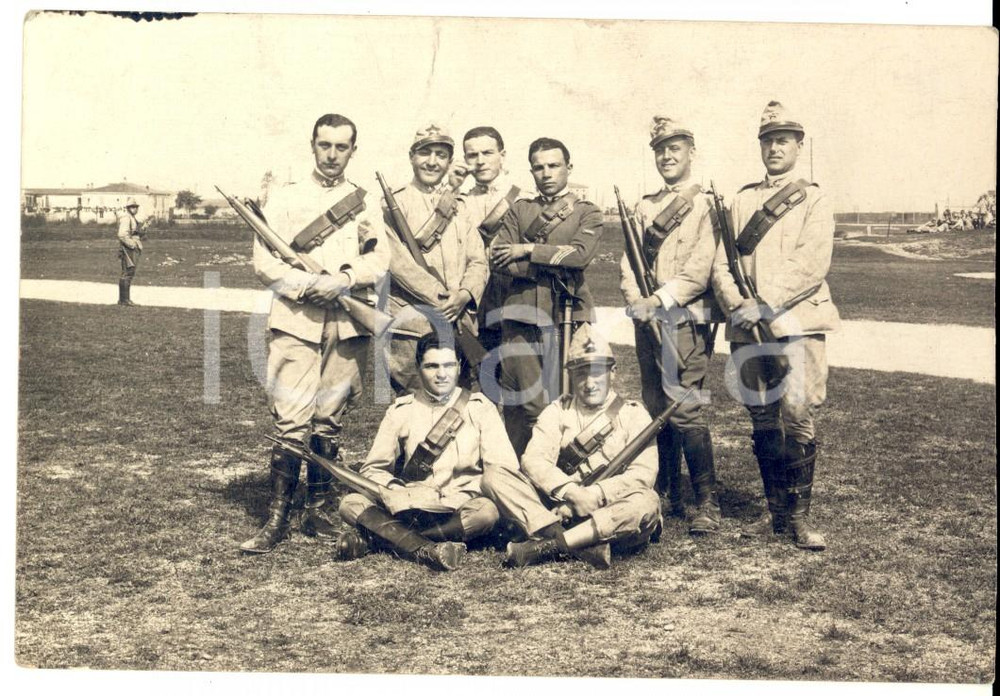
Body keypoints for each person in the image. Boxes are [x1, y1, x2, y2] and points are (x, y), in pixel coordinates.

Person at [240, 113, 390, 554]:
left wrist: (343, 279)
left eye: (341, 147)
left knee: (330, 417)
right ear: (312, 145)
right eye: (325, 145)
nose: (332, 155)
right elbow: (264, 263)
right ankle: (277, 518)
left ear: (353, 151)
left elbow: (379, 260)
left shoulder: (365, 203)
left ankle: (319, 510)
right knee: (290, 419)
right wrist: (311, 286)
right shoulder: (285, 198)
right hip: (296, 319)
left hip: (346, 322)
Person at [711, 100, 840, 551]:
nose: (773, 148)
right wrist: (736, 304)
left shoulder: (815, 197)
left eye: (782, 140)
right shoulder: (742, 199)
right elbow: (721, 264)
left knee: (797, 414)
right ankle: (776, 515)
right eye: (767, 141)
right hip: (747, 325)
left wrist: (763, 302)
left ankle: (801, 519)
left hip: (797, 322)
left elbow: (811, 263)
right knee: (762, 415)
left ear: (799, 146)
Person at [481, 324, 661, 569]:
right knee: (495, 476)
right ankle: (585, 545)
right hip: (557, 507)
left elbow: (642, 475)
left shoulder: (634, 415)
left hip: (607, 508)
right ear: (571, 376)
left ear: (613, 372)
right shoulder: (557, 410)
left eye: (597, 372)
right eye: (580, 374)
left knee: (647, 502)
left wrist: (594, 495)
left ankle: (551, 545)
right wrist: (572, 494)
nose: (589, 383)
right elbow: (534, 460)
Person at [620, 116, 723, 534]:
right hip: (647, 320)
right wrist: (636, 302)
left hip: (684, 319)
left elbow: (701, 268)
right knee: (655, 404)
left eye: (674, 148)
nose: (666, 156)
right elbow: (629, 262)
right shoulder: (644, 206)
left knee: (686, 407)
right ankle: (667, 490)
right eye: (660, 149)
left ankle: (706, 501)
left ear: (691, 153)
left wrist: (657, 299)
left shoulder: (706, 205)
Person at [335, 334, 515, 571]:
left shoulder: (480, 408)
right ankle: (431, 547)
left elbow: (502, 468)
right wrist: (395, 488)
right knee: (349, 504)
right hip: (409, 505)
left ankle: (384, 539)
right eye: (432, 366)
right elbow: (374, 468)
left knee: (486, 514)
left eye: (449, 365)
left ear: (459, 367)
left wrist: (466, 494)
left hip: (457, 506)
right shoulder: (401, 410)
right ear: (419, 368)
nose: (441, 374)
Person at [490, 137, 604, 455]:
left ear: (568, 167)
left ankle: (561, 474)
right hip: (522, 316)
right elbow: (498, 260)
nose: (547, 173)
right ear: (531, 171)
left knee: (566, 399)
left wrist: (528, 249)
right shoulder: (520, 210)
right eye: (539, 167)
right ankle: (518, 475)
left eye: (554, 165)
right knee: (522, 401)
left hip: (568, 315)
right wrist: (556, 264)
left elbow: (580, 256)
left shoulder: (587, 212)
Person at [381, 123, 488, 394]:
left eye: (441, 155)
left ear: (450, 161)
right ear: (411, 157)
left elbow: (478, 260)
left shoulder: (458, 207)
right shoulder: (392, 206)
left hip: (458, 322)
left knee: (459, 408)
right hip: (413, 326)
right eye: (424, 153)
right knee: (413, 407)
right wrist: (443, 299)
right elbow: (398, 265)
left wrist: (464, 294)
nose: (432, 162)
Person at [455, 126, 522, 394]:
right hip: (473, 305)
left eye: (487, 152)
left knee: (518, 385)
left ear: (502, 155)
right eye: (472, 155)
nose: (480, 160)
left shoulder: (522, 198)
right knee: (476, 384)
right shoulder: (459, 201)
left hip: (511, 299)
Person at [116, 197, 148, 306]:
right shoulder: (126, 218)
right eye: (132, 207)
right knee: (128, 272)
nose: (135, 209)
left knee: (128, 272)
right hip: (128, 249)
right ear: (128, 208)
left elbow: (135, 233)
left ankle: (124, 300)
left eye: (136, 207)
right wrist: (133, 245)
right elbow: (122, 235)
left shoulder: (132, 218)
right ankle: (124, 300)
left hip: (130, 248)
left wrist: (143, 230)